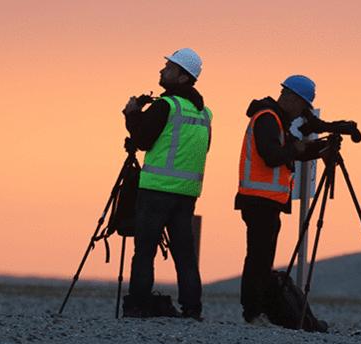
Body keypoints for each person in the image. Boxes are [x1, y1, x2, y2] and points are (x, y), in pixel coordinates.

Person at [121, 48, 212, 321]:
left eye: (170, 68)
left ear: (184, 78)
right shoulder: (205, 112)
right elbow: (202, 150)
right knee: (185, 255)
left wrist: (132, 114)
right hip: (186, 195)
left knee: (145, 252)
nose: (162, 71)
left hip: (156, 189)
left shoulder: (166, 105)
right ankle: (192, 310)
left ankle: (136, 307)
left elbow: (143, 140)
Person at [235, 75, 331, 327]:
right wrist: (297, 149)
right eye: (303, 106)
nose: (302, 112)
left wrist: (320, 149)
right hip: (259, 200)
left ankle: (260, 311)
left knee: (263, 258)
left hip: (267, 200)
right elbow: (272, 155)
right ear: (292, 99)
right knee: (258, 258)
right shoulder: (268, 119)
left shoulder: (275, 120)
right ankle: (253, 313)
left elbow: (290, 151)